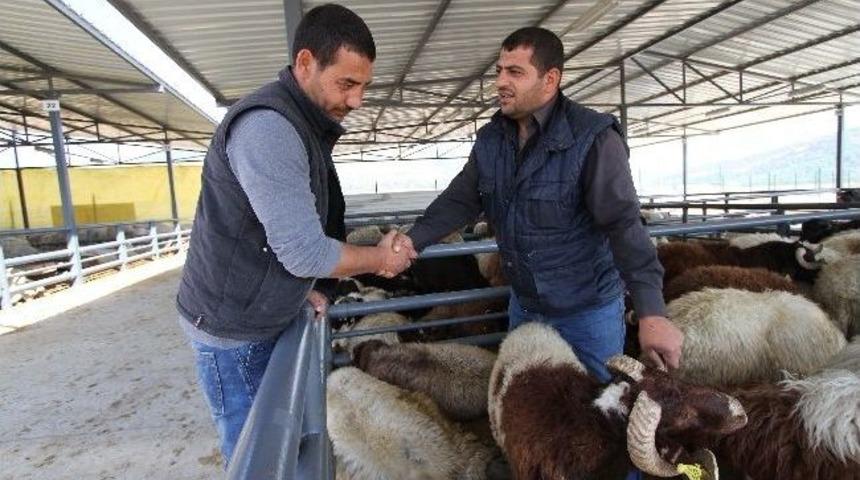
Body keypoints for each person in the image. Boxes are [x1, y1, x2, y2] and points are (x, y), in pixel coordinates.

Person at [176, 4, 413, 466]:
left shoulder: (299, 124)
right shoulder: (269, 128)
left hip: (253, 310)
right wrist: (379, 260)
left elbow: (283, 236)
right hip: (233, 331)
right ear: (305, 63)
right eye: (347, 83)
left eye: (363, 85)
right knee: (260, 455)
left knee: (283, 440)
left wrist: (295, 289)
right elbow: (303, 250)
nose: (358, 100)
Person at [395, 27, 683, 382]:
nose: (500, 81)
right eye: (499, 70)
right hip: (525, 308)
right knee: (528, 409)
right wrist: (411, 240)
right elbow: (460, 199)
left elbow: (624, 225)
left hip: (586, 313)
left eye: (515, 72)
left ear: (550, 80)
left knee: (593, 410)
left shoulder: (592, 137)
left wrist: (651, 312)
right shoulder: (491, 139)